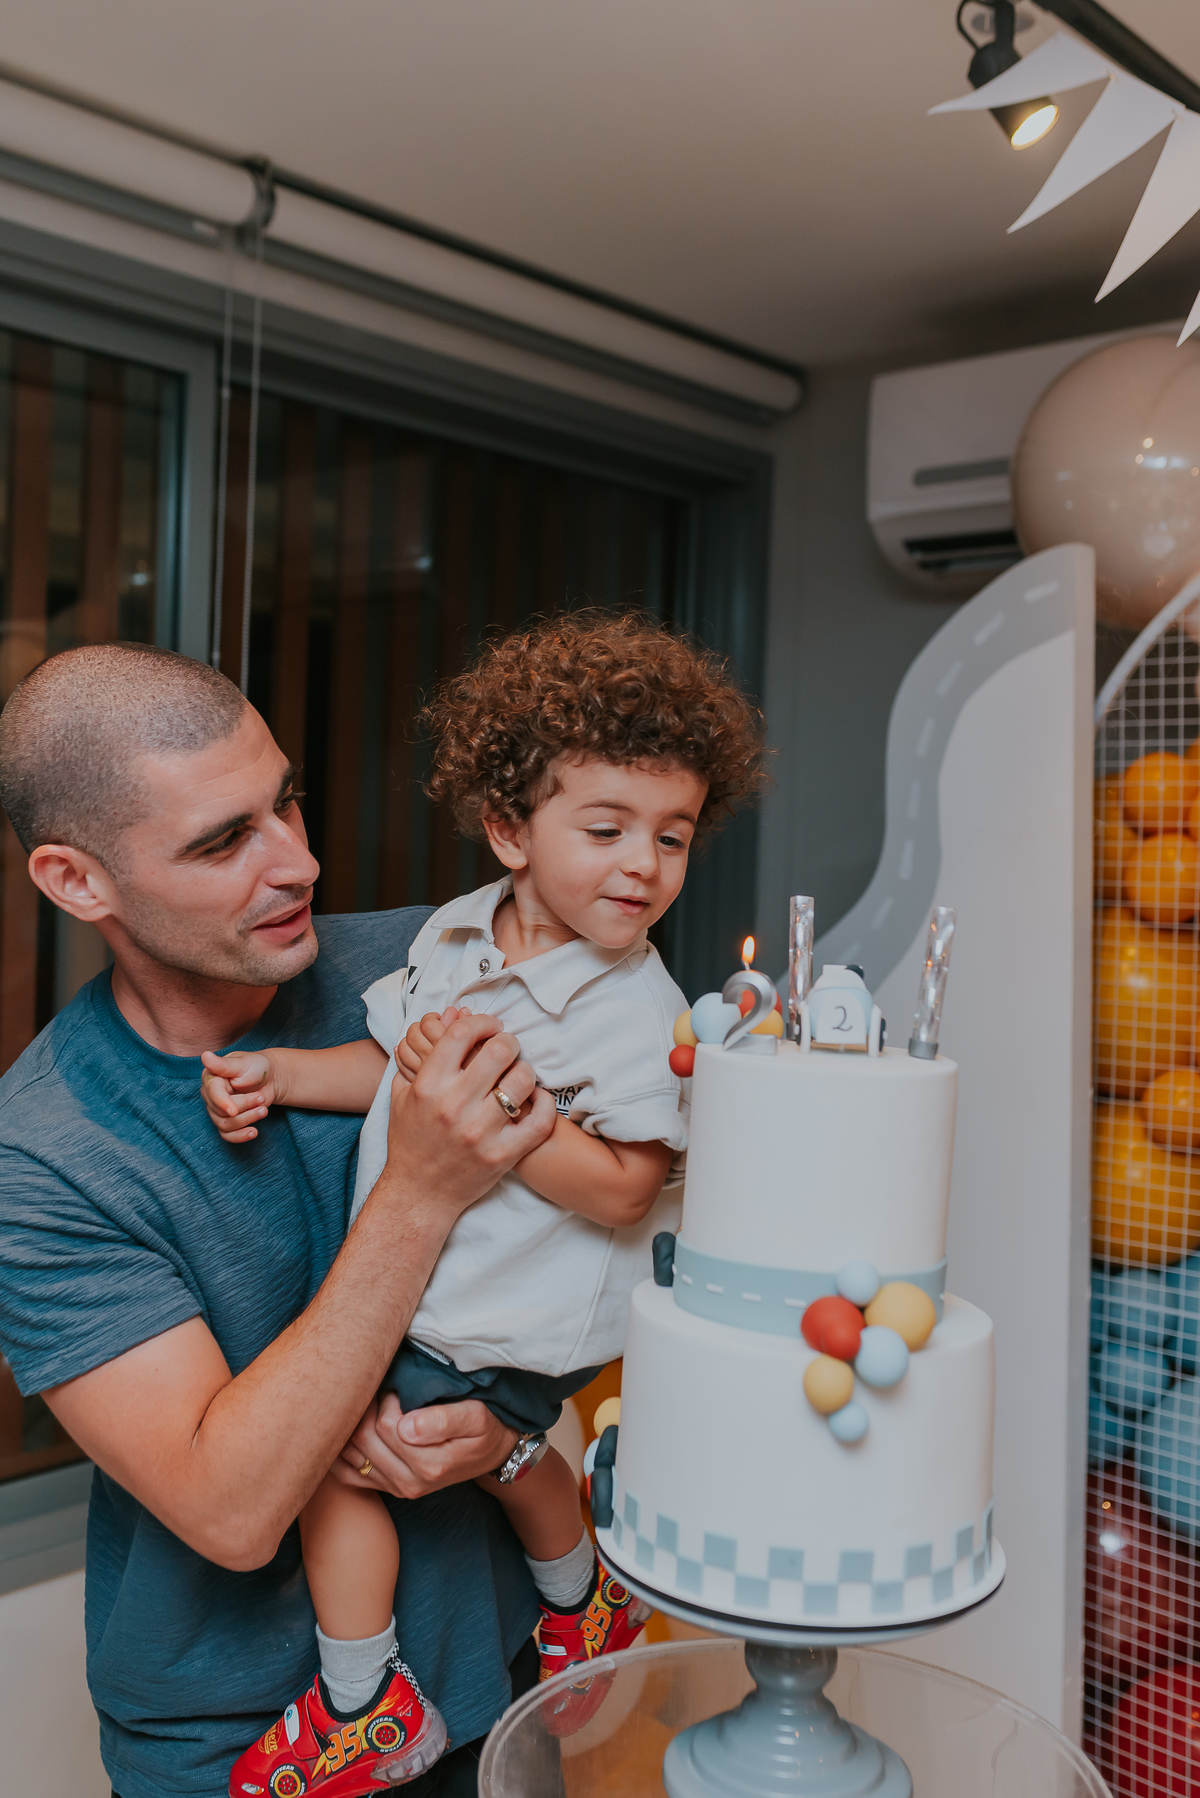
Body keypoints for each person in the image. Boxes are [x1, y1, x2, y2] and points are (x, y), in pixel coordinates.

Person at [200, 613, 769, 1794]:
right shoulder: (455, 937)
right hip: (429, 1291)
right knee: (504, 1456)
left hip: (509, 1311)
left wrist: (502, 1132)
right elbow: (396, 1067)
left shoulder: (628, 1003)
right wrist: (286, 1075)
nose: (641, 867)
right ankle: (584, 1598)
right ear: (511, 829)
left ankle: (365, 1700)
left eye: (671, 838)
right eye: (605, 828)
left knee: (330, 1464)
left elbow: (624, 1182)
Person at [0, 643, 559, 1798]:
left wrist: (506, 1435)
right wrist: (418, 1186)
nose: (297, 859)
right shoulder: (45, 1158)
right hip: (245, 1746)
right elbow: (235, 1505)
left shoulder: (432, 965)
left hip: (499, 1677)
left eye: (286, 799)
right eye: (223, 840)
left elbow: (594, 1239)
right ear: (75, 881)